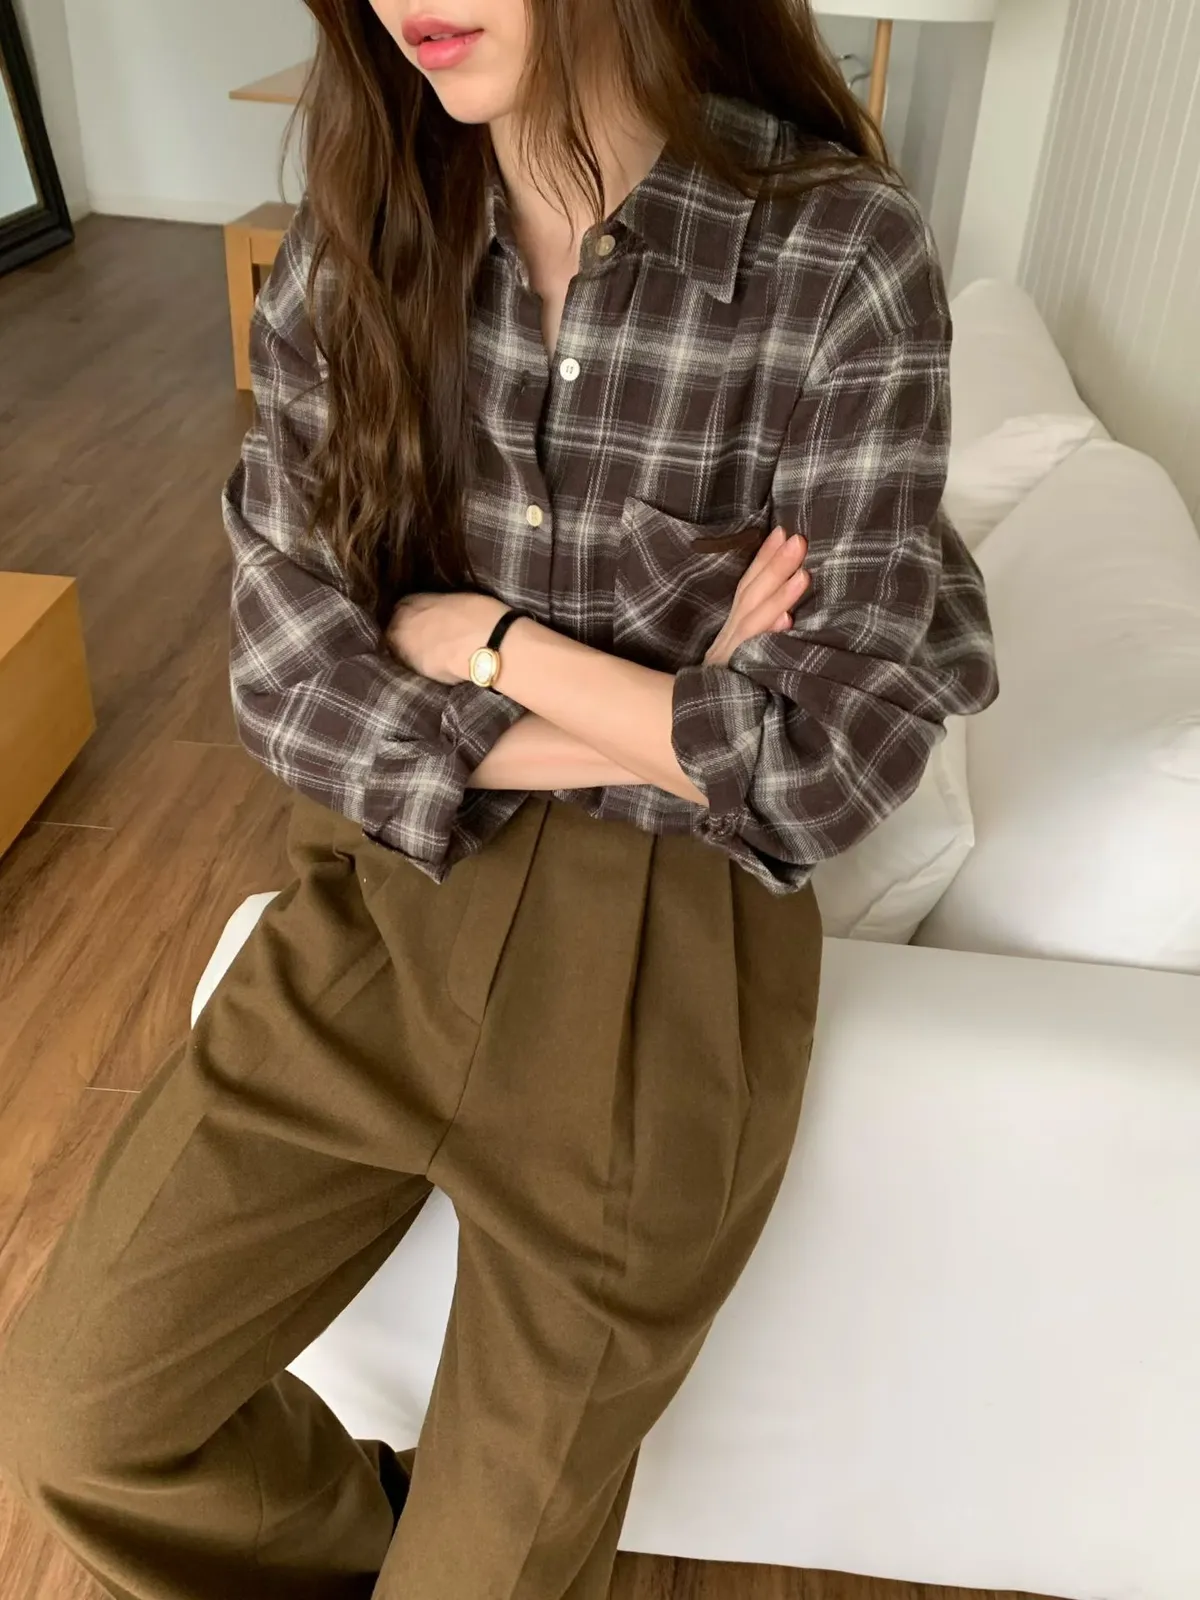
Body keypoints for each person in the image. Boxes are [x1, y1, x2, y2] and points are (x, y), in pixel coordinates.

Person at [0, 2, 997, 1596]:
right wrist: (668, 716)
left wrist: (486, 643)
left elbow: (826, 760)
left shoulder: (837, 257)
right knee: (75, 1418)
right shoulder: (356, 244)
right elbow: (288, 680)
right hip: (382, 904)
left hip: (664, 978)